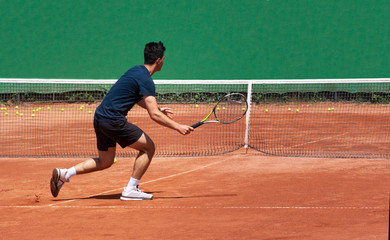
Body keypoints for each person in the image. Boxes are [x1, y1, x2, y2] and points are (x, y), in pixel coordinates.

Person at [50, 41, 193, 200]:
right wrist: (177, 126)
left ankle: (65, 174)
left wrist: (158, 109)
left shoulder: (136, 70)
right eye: (164, 59)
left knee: (106, 161)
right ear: (159, 60)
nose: (164, 62)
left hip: (100, 118)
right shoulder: (146, 79)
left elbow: (135, 98)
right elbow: (154, 115)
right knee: (148, 148)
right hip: (113, 120)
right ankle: (131, 189)